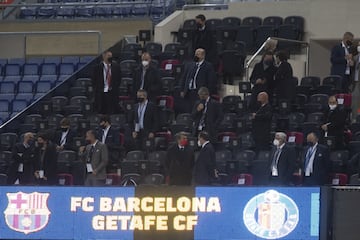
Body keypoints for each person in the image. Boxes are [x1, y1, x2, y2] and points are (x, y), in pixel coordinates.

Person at [180, 48, 217, 112]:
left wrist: (207, 94)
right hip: (189, 92)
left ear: (203, 56)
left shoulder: (208, 66)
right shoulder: (189, 65)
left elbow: (211, 82)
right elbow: (184, 78)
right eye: (195, 54)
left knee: (197, 111)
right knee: (188, 110)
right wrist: (182, 90)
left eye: (198, 54)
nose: (195, 56)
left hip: (199, 93)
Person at [92, 50, 121, 114]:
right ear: (103, 56)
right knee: (101, 112)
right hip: (101, 93)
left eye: (111, 56)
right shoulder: (97, 68)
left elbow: (119, 79)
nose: (110, 57)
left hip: (112, 93)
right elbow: (94, 81)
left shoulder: (116, 67)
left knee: (112, 112)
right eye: (108, 56)